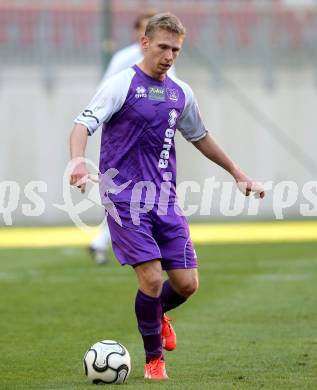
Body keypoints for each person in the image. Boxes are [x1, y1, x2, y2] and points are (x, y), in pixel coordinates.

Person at [69, 13, 265, 381]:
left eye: (175, 49)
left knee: (187, 285)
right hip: (124, 197)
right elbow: (82, 124)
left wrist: (238, 174)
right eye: (162, 47)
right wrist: (78, 162)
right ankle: (153, 360)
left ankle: (158, 314)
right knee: (153, 279)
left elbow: (200, 136)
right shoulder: (121, 84)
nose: (169, 55)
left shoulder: (180, 92)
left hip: (164, 199)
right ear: (144, 44)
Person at [89, 12, 176, 264]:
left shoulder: (166, 57)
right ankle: (105, 240)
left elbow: (173, 88)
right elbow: (106, 91)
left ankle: (104, 241)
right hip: (127, 137)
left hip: (156, 137)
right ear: (141, 34)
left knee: (148, 193)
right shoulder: (124, 58)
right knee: (126, 194)